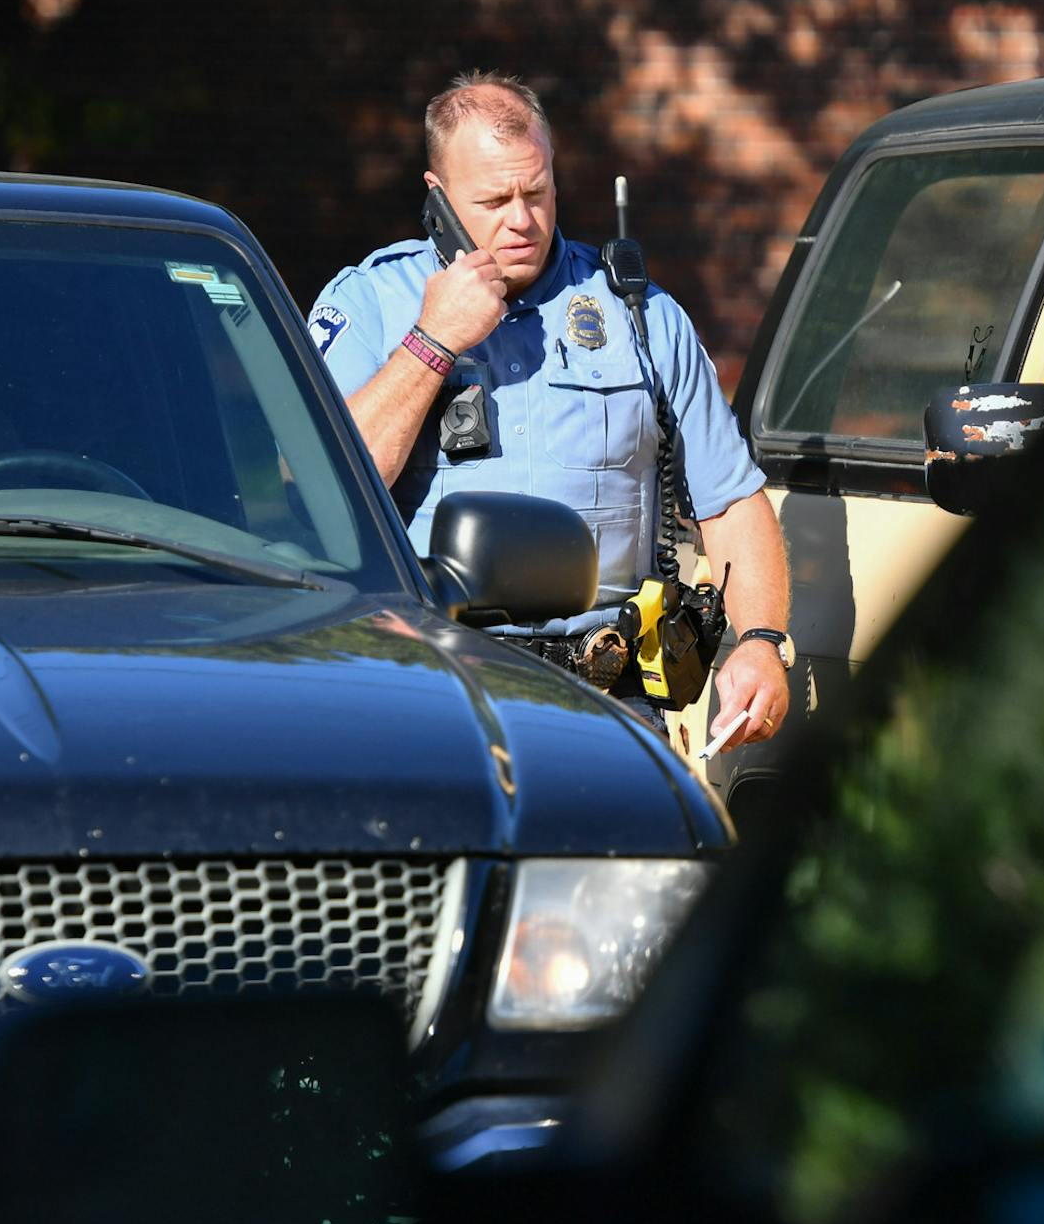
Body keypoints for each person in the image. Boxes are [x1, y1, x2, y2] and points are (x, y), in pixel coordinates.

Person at [307, 70, 791, 752]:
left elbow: (732, 502)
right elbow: (325, 492)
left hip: (606, 702)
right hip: (424, 698)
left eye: (536, 191)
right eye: (494, 199)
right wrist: (432, 341)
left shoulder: (640, 315)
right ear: (437, 197)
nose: (521, 219)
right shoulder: (369, 305)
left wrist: (763, 641)